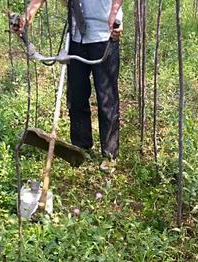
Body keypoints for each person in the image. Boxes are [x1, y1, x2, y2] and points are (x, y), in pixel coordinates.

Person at [17, 0, 124, 172]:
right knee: (76, 95)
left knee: (107, 98)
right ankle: (81, 147)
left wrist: (115, 14)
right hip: (76, 37)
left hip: (104, 36)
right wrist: (27, 16)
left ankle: (109, 154)